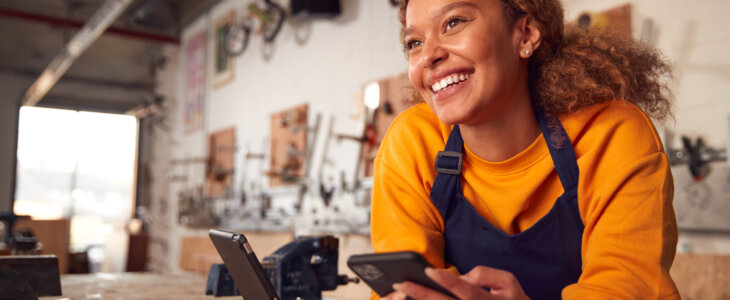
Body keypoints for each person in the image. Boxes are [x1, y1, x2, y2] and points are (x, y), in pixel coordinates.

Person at [370, 0, 679, 299]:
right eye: (414, 43)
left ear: (526, 34)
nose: (427, 56)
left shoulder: (610, 133)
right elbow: (405, 286)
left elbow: (624, 290)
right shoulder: (412, 143)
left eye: (454, 23)